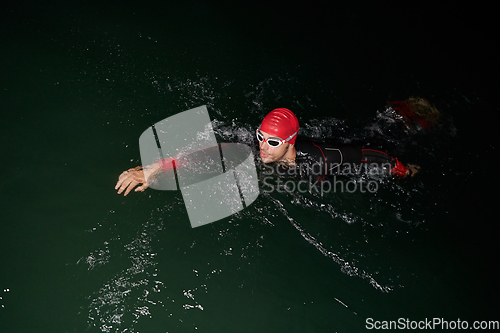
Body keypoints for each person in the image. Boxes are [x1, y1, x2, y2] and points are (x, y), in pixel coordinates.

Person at [116, 108, 419, 196]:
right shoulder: (258, 149)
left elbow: (367, 156)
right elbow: (210, 154)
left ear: (288, 142)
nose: (262, 145)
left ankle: (406, 118)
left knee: (373, 136)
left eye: (272, 142)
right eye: (262, 137)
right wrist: (154, 168)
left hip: (347, 163)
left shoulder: (322, 158)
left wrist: (402, 169)